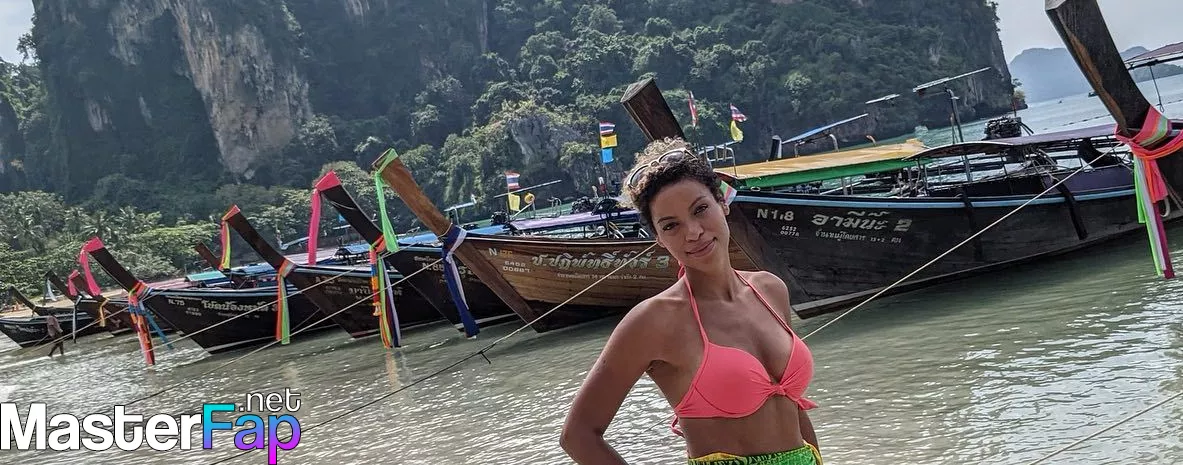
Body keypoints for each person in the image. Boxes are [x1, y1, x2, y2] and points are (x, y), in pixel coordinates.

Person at [561, 137, 821, 464]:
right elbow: (578, 435)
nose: (693, 232)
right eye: (671, 225)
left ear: (722, 202)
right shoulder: (655, 320)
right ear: (658, 238)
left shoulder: (770, 290)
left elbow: (791, 404)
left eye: (700, 209)